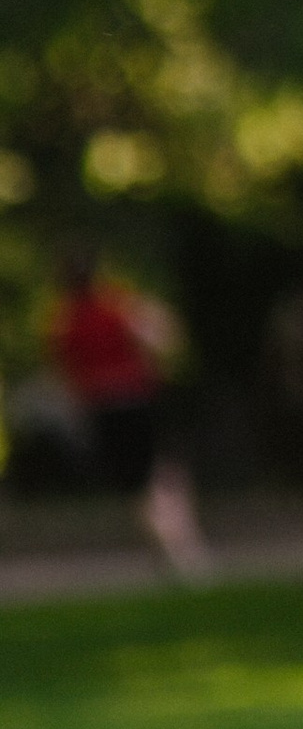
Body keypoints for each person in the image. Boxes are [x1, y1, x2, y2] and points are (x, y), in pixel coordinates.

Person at [43, 246, 208, 575]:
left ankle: (170, 552)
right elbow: (161, 337)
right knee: (160, 475)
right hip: (138, 400)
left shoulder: (64, 323)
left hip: (102, 408)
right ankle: (183, 551)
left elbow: (65, 375)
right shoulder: (118, 307)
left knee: (134, 484)